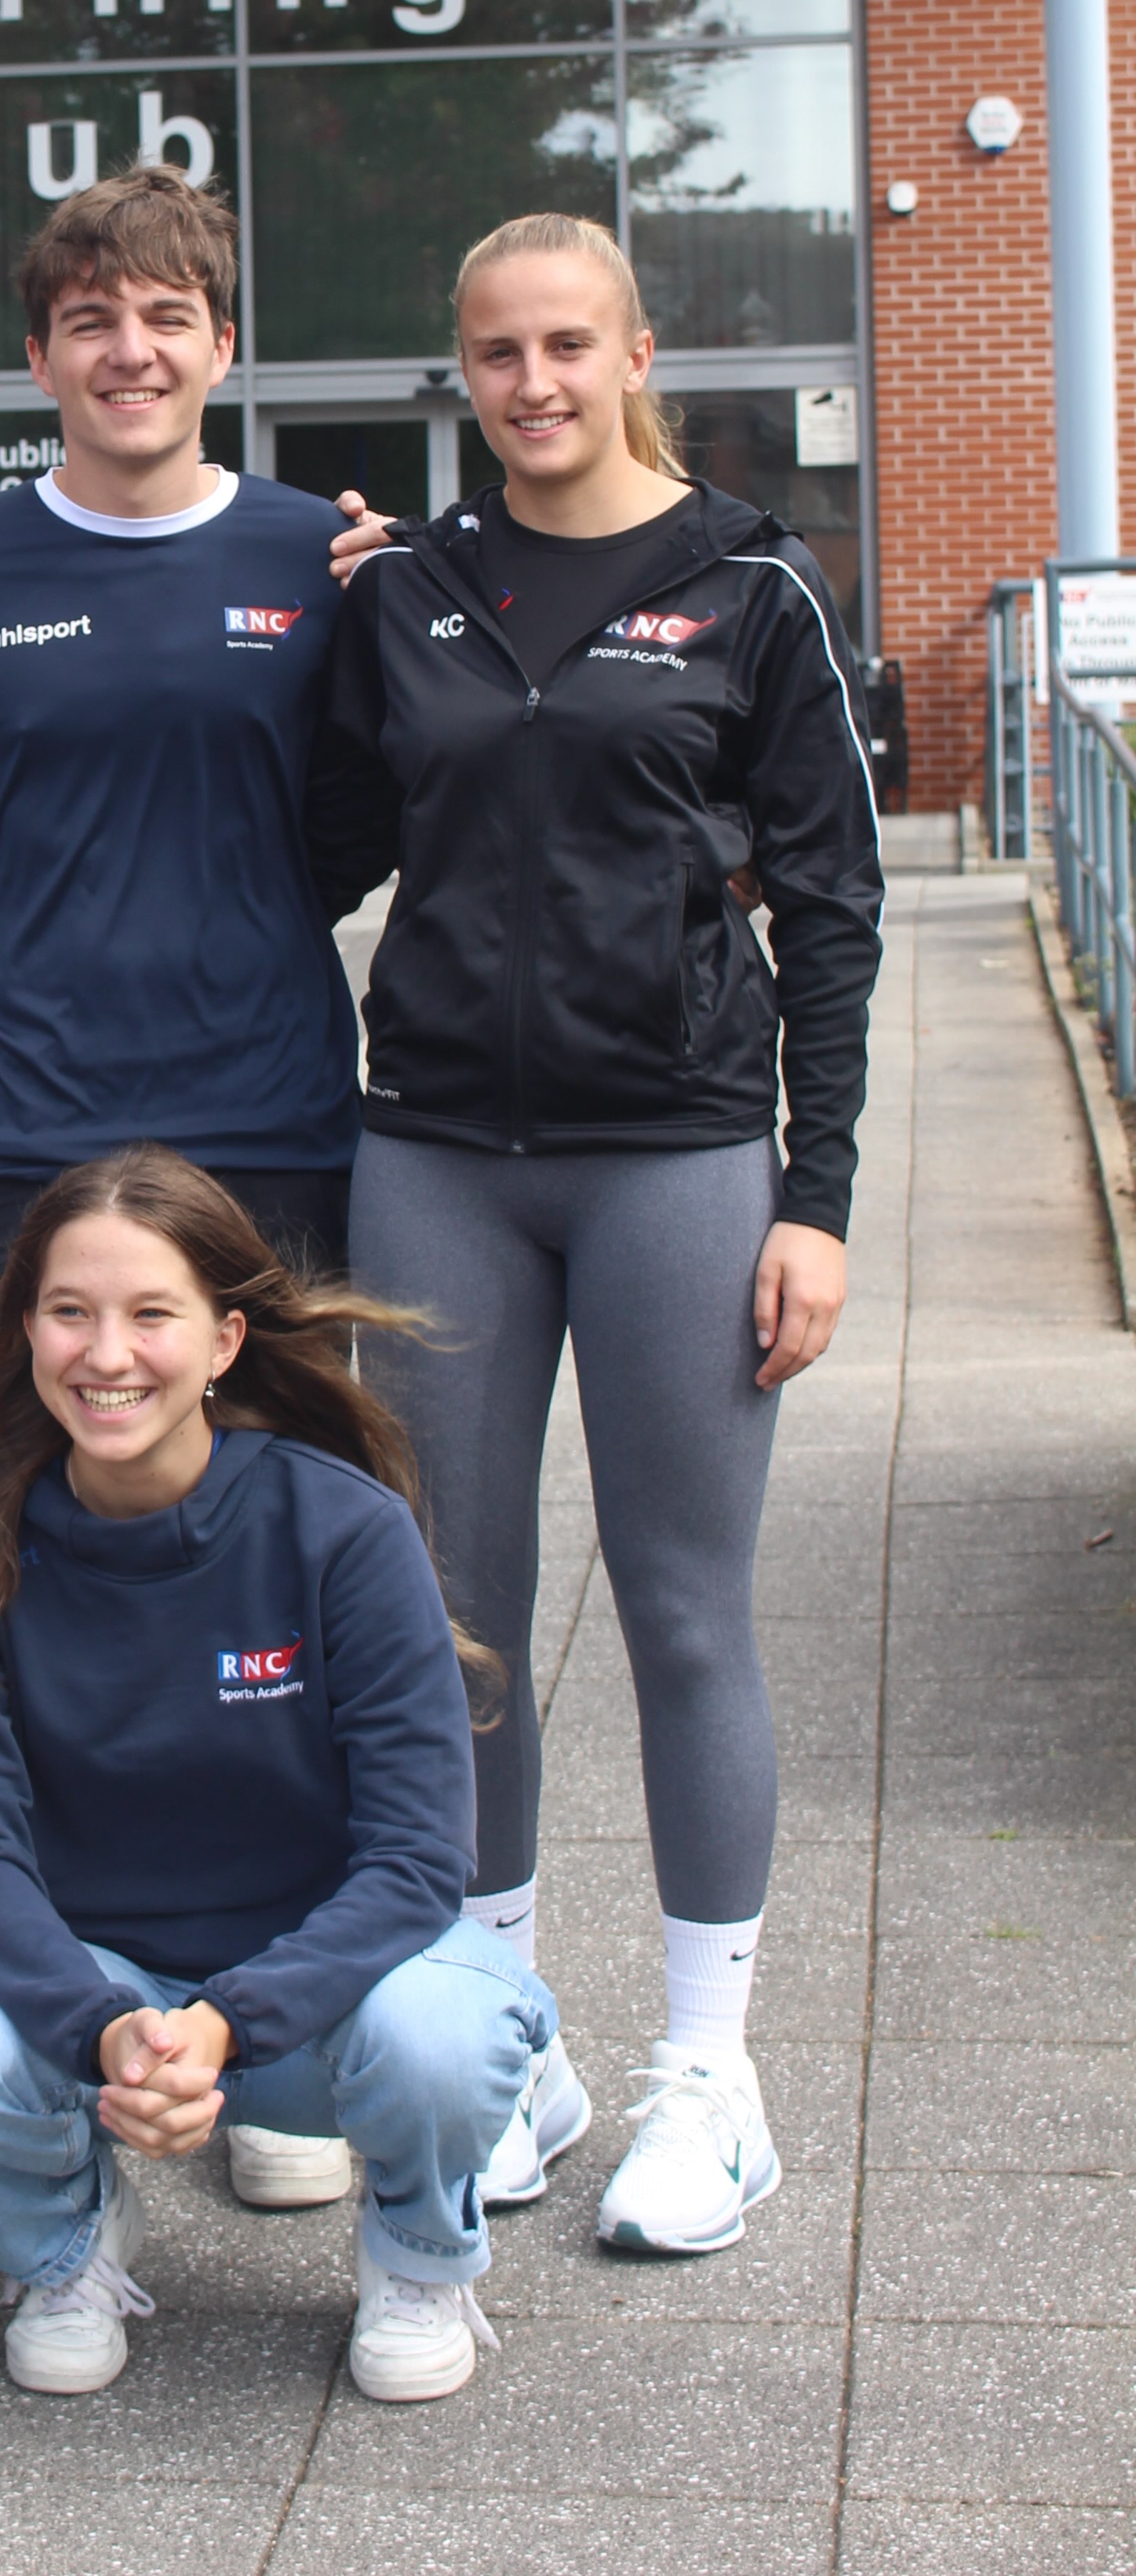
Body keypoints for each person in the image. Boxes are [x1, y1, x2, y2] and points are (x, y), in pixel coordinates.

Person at [309, 210, 882, 2257]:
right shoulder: (418, 594)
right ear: (457, 373)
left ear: (637, 351)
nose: (533, 383)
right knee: (450, 1616)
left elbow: (832, 911)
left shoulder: (749, 590)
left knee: (684, 1610)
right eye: (494, 354)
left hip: (678, 1157)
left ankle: (710, 2079)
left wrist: (813, 1204)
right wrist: (312, 615)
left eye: (568, 344)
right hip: (440, 1155)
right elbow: (316, 849)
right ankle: (506, 2038)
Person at [0, 166, 369, 2214]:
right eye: (92, 319)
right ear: (41, 357)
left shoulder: (323, 561)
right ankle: (38, 2014)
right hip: (30, 1138)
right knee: (6, 1570)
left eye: (167, 314)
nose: (131, 350)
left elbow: (376, 822)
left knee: (294, 1580)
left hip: (271, 1129)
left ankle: (280, 2053)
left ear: (219, 344)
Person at [0, 1148, 550, 2405]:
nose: (107, 1353)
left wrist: (229, 2021)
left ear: (226, 1340)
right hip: (109, 2009)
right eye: (70, 1312)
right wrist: (110, 2028)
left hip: (322, 1994)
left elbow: (420, 1863)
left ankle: (420, 2253)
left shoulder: (341, 1528)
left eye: (152, 1315)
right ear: (24, 1330)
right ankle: (65, 2245)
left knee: (451, 2030)